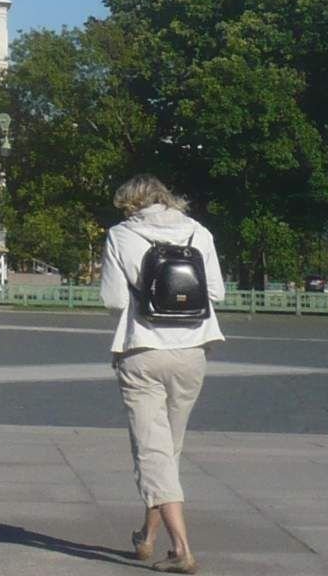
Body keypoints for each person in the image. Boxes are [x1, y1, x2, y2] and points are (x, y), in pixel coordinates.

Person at [100, 173, 224, 575]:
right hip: (192, 350)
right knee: (167, 450)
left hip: (143, 350)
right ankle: (148, 537)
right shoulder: (198, 232)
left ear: (129, 204)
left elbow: (115, 300)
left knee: (153, 453)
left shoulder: (120, 235)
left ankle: (182, 549)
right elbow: (217, 293)